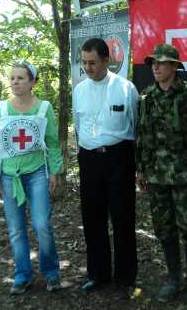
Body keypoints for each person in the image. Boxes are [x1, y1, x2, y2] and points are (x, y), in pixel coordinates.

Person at [135, 43, 187, 307]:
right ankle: (174, 278)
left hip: (186, 177)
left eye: (161, 63)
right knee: (163, 228)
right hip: (156, 177)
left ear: (174, 66)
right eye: (153, 63)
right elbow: (142, 135)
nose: (155, 67)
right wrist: (141, 168)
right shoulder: (146, 97)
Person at [0, 61, 63, 294]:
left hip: (37, 172)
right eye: (12, 78)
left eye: (20, 78)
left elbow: (52, 142)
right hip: (9, 175)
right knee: (16, 229)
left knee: (42, 225)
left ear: (32, 82)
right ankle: (22, 275)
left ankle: (51, 272)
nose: (15, 82)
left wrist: (54, 172)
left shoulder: (44, 108)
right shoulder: (1, 109)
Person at [72, 38, 139, 299]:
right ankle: (98, 274)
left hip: (119, 158)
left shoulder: (126, 88)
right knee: (92, 218)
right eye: (84, 62)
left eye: (93, 62)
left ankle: (125, 278)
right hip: (89, 160)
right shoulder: (79, 90)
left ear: (106, 60)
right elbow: (79, 126)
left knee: (123, 218)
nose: (87, 67)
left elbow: (135, 124)